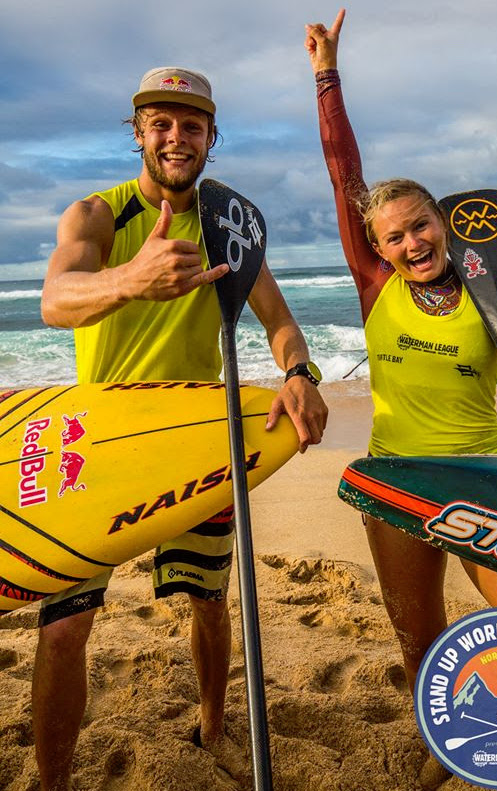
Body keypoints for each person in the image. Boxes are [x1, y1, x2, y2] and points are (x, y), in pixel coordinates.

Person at [305, 11, 497, 790]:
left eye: (420, 225)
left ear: (445, 221)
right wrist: (328, 76)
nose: (411, 244)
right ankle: (449, 741)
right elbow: (342, 175)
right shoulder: (375, 287)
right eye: (392, 237)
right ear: (378, 248)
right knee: (416, 633)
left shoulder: (493, 289)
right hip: (398, 475)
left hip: (487, 475)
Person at [38, 66, 328, 791]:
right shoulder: (96, 216)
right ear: (137, 131)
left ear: (210, 137)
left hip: (199, 433)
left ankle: (211, 722)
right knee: (65, 622)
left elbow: (281, 322)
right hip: (97, 440)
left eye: (191, 126)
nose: (175, 137)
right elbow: (55, 300)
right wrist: (127, 279)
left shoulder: (229, 224)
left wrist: (299, 373)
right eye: (160, 123)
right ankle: (50, 779)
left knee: (208, 597)